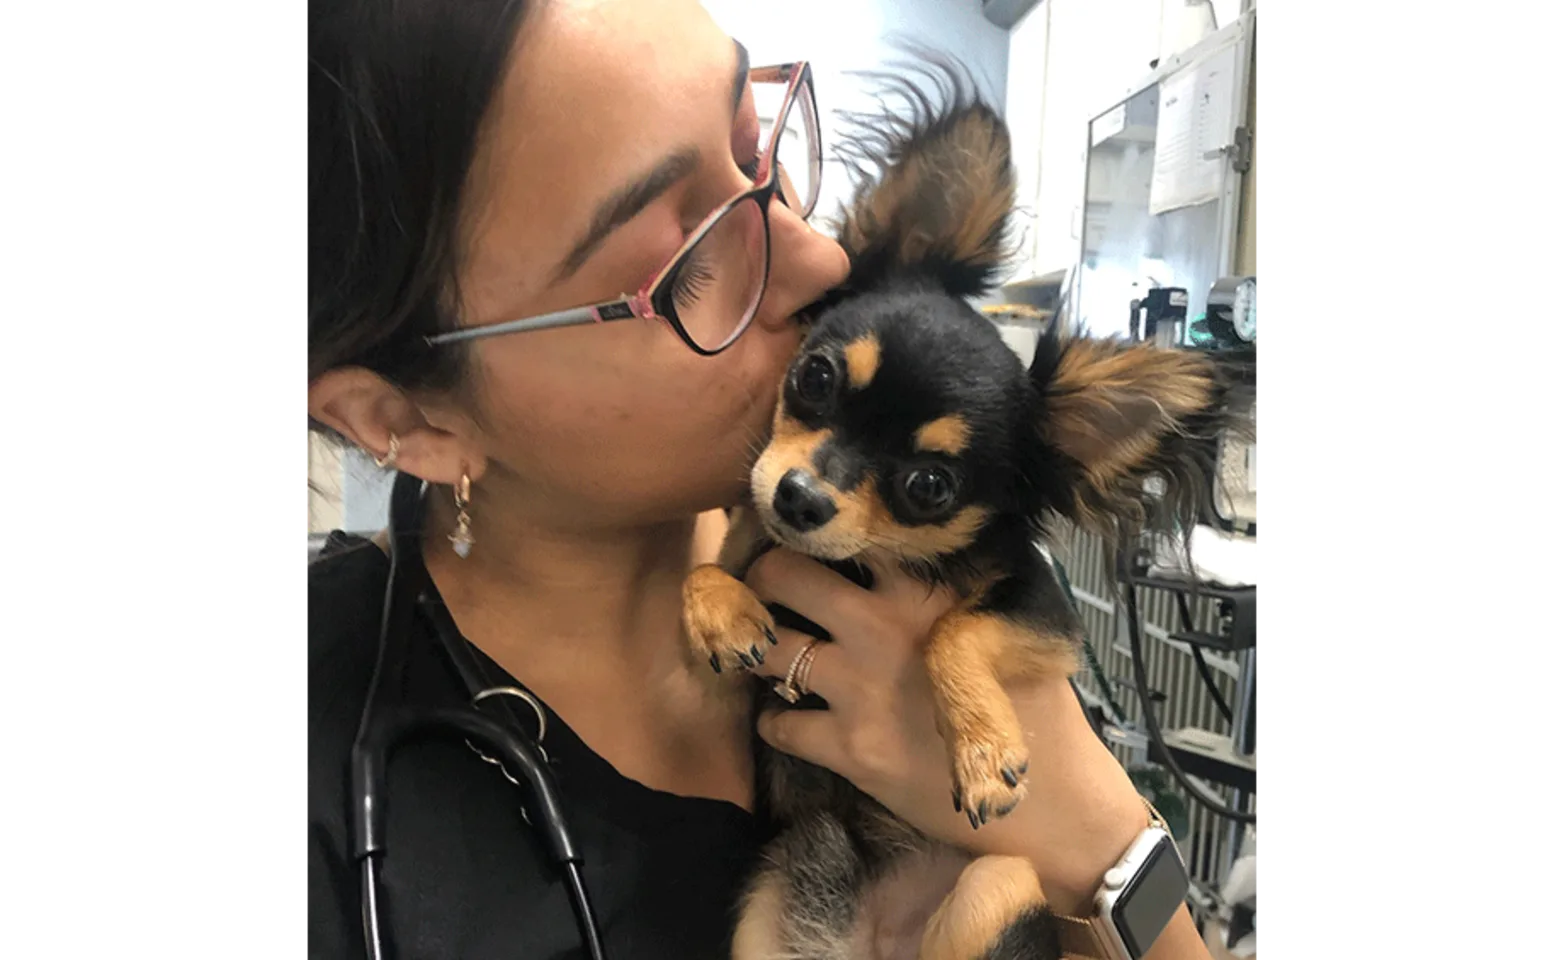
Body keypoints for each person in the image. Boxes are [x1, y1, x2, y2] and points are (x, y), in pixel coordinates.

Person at [303, 1, 1215, 957]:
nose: (822, 257)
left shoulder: (940, 580)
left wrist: (1104, 840)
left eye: (758, 152)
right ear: (405, 418)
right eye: (686, 260)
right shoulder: (331, 786)